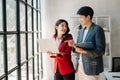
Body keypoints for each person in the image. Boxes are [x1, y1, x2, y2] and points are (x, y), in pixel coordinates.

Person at [67, 6, 106, 80]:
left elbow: (101, 51)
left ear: (88, 17)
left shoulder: (97, 29)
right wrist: (73, 46)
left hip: (91, 68)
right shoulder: (81, 31)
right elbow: (79, 49)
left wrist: (84, 51)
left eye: (81, 17)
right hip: (80, 66)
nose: (80, 20)